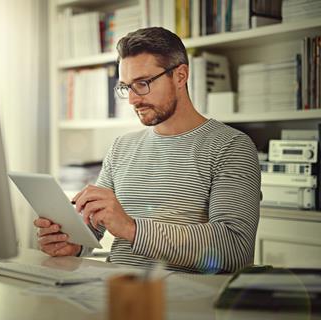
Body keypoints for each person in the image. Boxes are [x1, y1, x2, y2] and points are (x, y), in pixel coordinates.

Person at [34, 27, 261, 273]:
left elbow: (235, 247)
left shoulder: (231, 147)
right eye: (126, 87)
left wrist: (131, 228)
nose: (132, 99)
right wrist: (72, 244)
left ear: (180, 76)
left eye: (142, 84)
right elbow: (93, 226)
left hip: (186, 303)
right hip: (115, 294)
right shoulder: (121, 147)